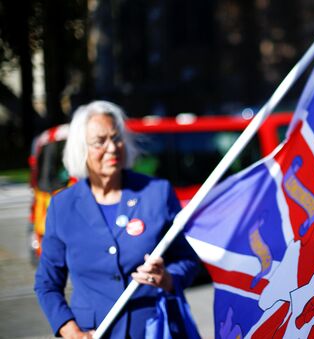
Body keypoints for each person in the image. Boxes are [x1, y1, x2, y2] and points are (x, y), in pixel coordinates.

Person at [34, 101, 200, 338]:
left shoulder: (157, 192)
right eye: (100, 141)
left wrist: (168, 279)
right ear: (81, 149)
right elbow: (47, 284)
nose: (112, 148)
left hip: (156, 329)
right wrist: (71, 331)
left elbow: (188, 259)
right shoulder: (62, 206)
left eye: (116, 138)